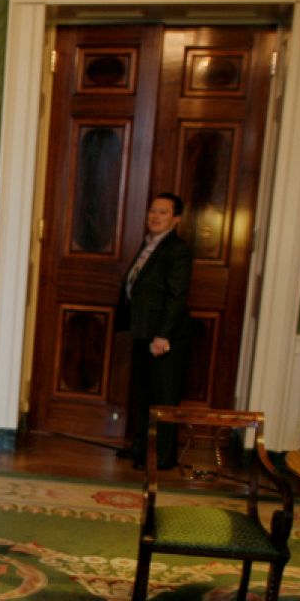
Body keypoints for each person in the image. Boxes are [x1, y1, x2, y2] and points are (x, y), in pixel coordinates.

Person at [116, 192, 192, 470]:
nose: (155, 216)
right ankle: (140, 449)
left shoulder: (177, 249)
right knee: (143, 394)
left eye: (162, 212)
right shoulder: (148, 244)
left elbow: (176, 296)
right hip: (143, 331)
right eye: (152, 211)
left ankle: (162, 457)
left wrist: (163, 335)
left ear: (176, 219)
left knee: (163, 397)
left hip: (164, 336)